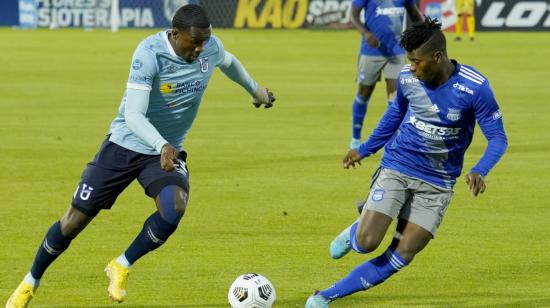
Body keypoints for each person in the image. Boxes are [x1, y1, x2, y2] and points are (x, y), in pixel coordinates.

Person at [6, 4, 275, 308]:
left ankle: (121, 264)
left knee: (173, 209)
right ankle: (30, 282)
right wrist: (161, 145)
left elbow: (227, 62)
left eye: (205, 41)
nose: (201, 49)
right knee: (73, 221)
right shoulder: (149, 53)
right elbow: (134, 116)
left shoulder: (208, 47)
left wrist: (256, 91)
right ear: (175, 34)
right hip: (124, 145)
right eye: (194, 42)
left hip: (164, 152)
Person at [306, 17, 507, 307]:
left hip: (438, 184)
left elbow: (498, 138)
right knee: (366, 242)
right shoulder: (407, 78)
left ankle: (325, 296)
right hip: (399, 166)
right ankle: (356, 231)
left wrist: (479, 170)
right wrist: (365, 149)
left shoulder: (475, 88)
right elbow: (394, 114)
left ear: (437, 57)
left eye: (416, 61)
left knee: (403, 254)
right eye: (409, 61)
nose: (411, 67)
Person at [348, 0, 422, 149]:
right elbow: (353, 15)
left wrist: (423, 35)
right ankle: (356, 138)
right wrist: (366, 33)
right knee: (364, 93)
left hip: (396, 50)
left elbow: (415, 16)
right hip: (371, 50)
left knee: (395, 98)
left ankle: (391, 141)